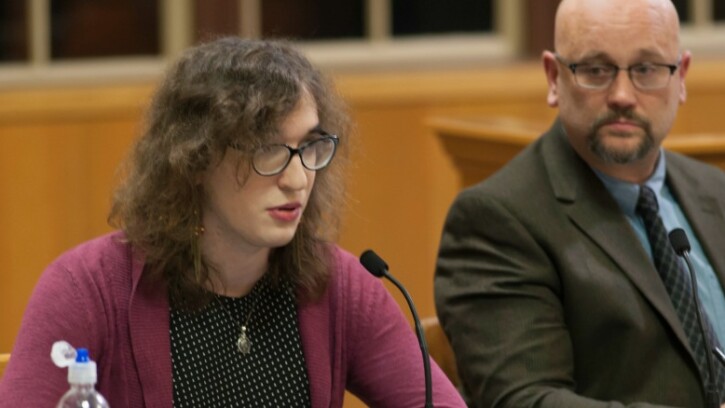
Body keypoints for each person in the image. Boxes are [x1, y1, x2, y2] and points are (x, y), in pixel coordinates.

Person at [0, 37, 465, 407]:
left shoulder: (340, 285)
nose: (298, 178)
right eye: (267, 149)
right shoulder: (88, 288)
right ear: (196, 160)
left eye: (309, 147)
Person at [435, 0, 725, 406]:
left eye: (646, 69)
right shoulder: (496, 220)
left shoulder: (716, 190)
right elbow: (524, 399)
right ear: (554, 77)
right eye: (595, 70)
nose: (623, 95)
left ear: (682, 78)